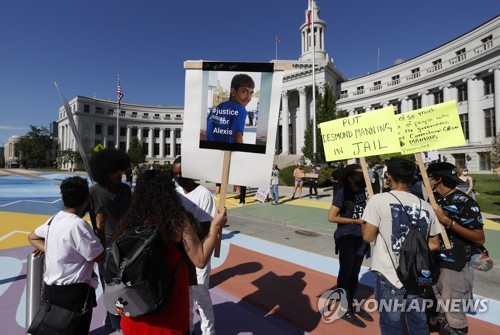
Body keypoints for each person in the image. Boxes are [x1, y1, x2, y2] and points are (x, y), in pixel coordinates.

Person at [114, 169, 226, 335]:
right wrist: (215, 226)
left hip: (135, 315)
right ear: (168, 193)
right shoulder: (177, 222)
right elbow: (200, 259)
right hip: (170, 318)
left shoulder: (129, 223)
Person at [362, 158, 441, 335]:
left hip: (388, 273)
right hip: (417, 272)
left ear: (388, 176)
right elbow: (435, 243)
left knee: (391, 323)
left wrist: (365, 220)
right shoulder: (425, 206)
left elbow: (368, 237)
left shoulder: (378, 200)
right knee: (418, 320)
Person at [28, 176, 106, 335]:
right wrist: (100, 227)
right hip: (74, 295)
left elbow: (32, 236)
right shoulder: (78, 225)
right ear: (87, 199)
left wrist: (52, 248)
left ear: (63, 198)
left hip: (51, 292)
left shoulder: (54, 220)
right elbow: (100, 257)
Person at [427, 162, 485, 334]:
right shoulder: (434, 200)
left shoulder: (465, 202)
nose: (427, 181)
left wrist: (448, 222)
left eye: (430, 177)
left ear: (440, 179)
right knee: (436, 310)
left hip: (455, 266)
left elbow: (479, 237)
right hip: (434, 262)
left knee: (455, 315)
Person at [88, 148, 132, 332]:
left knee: (124, 288)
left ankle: (111, 316)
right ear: (105, 172)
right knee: (112, 290)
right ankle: (117, 327)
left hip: (127, 245)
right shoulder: (93, 192)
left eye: (121, 170)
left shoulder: (125, 190)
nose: (120, 174)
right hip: (105, 249)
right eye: (116, 171)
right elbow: (75, 214)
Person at [172, 157, 217, 335]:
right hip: (180, 255)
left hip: (198, 253)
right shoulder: (175, 193)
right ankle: (188, 328)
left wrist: (190, 246)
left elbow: (205, 229)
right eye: (174, 174)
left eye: (180, 174)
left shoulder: (204, 195)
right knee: (185, 296)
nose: (177, 177)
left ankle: (208, 331)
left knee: (201, 295)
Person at [328, 164, 372, 328]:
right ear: (351, 177)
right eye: (360, 174)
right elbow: (331, 217)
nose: (364, 177)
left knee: (355, 272)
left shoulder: (362, 191)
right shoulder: (342, 193)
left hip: (361, 236)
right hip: (347, 236)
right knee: (346, 272)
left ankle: (354, 304)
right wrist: (355, 221)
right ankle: (344, 308)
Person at [206, 74, 255, 143]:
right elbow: (237, 138)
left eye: (251, 93)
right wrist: (241, 153)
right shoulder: (240, 110)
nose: (248, 97)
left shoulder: (216, 109)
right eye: (244, 92)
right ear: (233, 92)